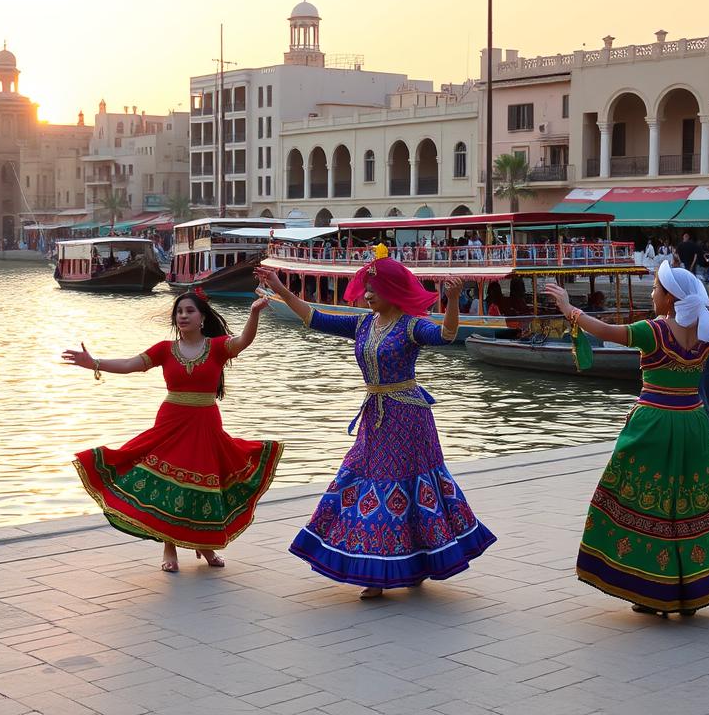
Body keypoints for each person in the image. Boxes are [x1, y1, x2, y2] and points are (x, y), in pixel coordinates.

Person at [256, 250, 496, 599]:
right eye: (365, 288)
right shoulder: (363, 325)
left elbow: (446, 335)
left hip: (408, 418)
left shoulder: (412, 326)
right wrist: (280, 288)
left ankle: (383, 572)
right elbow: (314, 318)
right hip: (375, 415)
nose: (367, 295)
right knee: (360, 477)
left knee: (397, 488)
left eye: (373, 289)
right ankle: (389, 564)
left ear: (393, 290)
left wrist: (454, 299)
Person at [542, 263, 709, 616]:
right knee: (691, 504)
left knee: (643, 503)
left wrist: (569, 309)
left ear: (670, 298)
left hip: (654, 424)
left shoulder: (654, 331)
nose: (651, 294)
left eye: (656, 289)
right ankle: (692, 590)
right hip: (693, 422)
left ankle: (650, 591)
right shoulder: (708, 335)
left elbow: (605, 331)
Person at [65, 292, 282, 573]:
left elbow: (243, 342)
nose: (183, 315)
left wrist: (254, 313)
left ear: (202, 317)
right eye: (179, 311)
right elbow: (130, 364)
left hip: (205, 424)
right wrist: (94, 362)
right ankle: (169, 546)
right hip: (171, 423)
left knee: (204, 486)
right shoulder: (164, 350)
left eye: (189, 311)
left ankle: (205, 545)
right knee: (169, 484)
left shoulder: (216, 347)